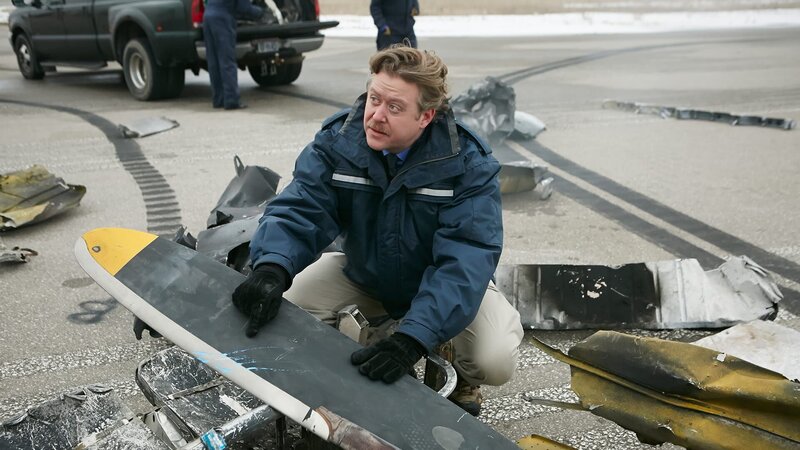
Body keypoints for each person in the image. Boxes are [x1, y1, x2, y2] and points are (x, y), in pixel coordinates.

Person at [231, 46, 523, 416]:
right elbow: (301, 206)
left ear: (426, 116)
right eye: (374, 99)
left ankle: (457, 367)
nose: (376, 116)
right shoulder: (339, 142)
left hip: (440, 282)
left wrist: (413, 340)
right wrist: (272, 267)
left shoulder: (467, 163)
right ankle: (364, 348)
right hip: (365, 274)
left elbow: (466, 259)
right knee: (287, 305)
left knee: (493, 357)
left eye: (395, 107)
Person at [204, 0, 263, 110]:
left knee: (214, 61)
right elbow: (244, 8)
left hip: (208, 17)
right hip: (222, 18)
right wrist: (261, 13)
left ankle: (218, 100)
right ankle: (231, 101)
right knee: (227, 60)